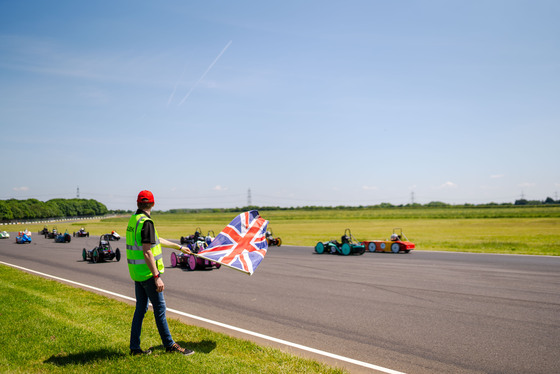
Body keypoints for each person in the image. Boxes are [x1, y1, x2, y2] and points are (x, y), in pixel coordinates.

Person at [126, 190, 195, 356]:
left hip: (137, 273)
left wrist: (178, 247)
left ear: (137, 204)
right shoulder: (147, 222)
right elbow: (147, 251)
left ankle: (135, 348)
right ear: (153, 204)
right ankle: (169, 345)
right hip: (149, 274)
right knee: (160, 309)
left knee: (140, 310)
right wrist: (157, 277)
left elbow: (155, 239)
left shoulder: (134, 220)